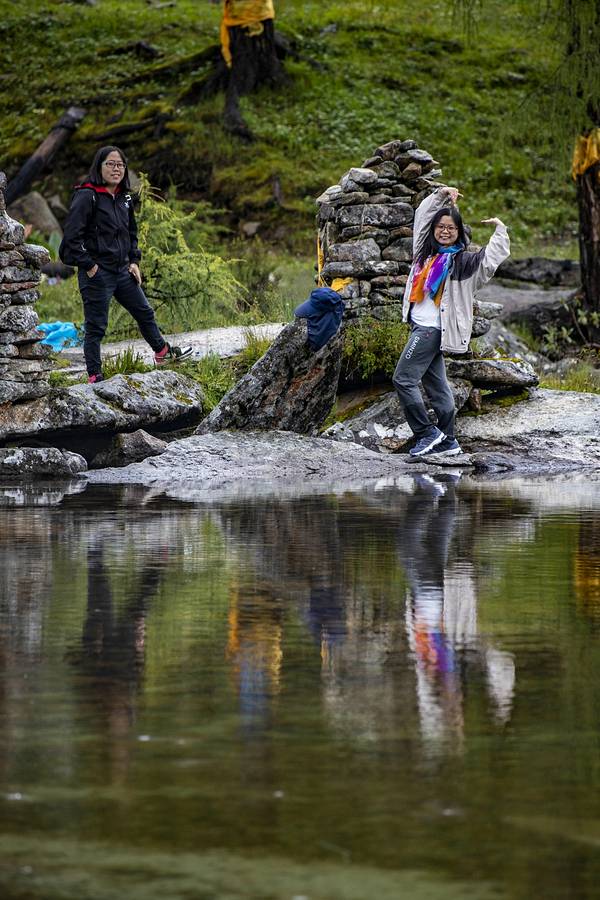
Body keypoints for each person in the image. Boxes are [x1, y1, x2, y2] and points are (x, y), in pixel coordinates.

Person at [392, 185, 509, 457]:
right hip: (420, 326)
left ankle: (426, 434)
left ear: (459, 232)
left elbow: (490, 261)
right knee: (437, 386)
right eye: (441, 227)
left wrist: (500, 231)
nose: (445, 231)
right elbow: (422, 218)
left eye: (451, 228)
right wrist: (440, 196)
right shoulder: (424, 253)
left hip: (431, 330)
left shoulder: (464, 263)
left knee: (403, 379)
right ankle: (448, 441)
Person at [59, 146, 191, 383]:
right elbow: (70, 240)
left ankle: (162, 352)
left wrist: (134, 261)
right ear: (99, 167)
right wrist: (90, 266)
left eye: (120, 165)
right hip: (97, 273)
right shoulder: (87, 196)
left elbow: (131, 232)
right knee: (96, 327)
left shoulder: (125, 197)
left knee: (144, 312)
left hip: (122, 270)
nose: (116, 169)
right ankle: (94, 376)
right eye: (110, 164)